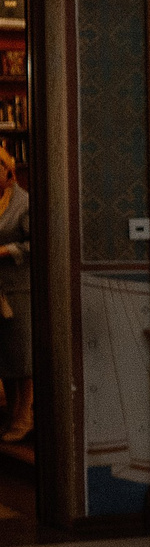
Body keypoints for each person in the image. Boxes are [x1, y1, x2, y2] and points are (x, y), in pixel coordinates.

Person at [0, 148, 31, 444]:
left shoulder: (25, 203)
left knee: (22, 356)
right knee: (4, 357)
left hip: (18, 289)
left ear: (9, 172)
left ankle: (25, 416)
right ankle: (11, 413)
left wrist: (6, 250)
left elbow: (38, 243)